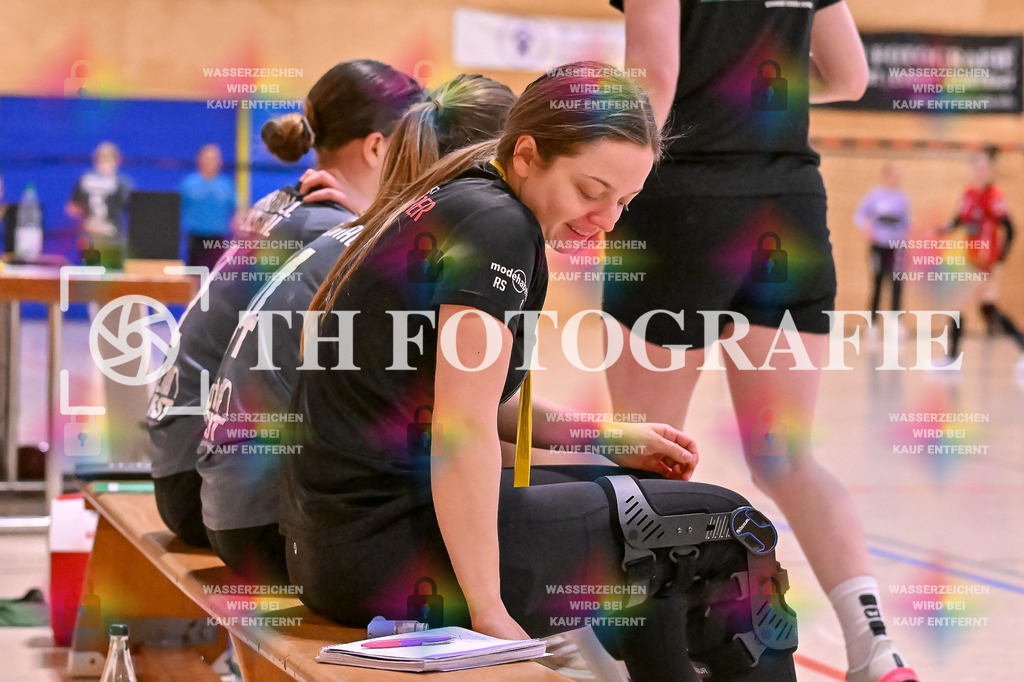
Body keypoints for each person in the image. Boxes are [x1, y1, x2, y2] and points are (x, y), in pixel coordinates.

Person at [281, 61, 799, 681]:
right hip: (388, 554)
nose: (607, 220)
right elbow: (463, 429)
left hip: (335, 547)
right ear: (527, 155)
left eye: (624, 202)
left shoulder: (467, 195)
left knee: (661, 529)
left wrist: (610, 437)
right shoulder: (499, 229)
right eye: (590, 191)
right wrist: (488, 611)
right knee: (735, 531)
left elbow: (456, 398)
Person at [599, 3, 917, 682]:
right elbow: (850, 76)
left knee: (647, 449)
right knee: (788, 458)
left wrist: (608, 186)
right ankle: (875, 648)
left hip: (682, 202)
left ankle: (636, 656)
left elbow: (654, 74)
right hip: (791, 205)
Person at [194, 74, 516, 585]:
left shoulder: (324, 218)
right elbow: (469, 426)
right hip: (266, 520)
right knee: (514, 492)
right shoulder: (372, 241)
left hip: (223, 496)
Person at [145, 59, 423, 549]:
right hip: (212, 489)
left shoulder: (282, 202)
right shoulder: (327, 227)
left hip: (181, 467)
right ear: (379, 147)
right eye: (414, 149)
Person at [943, 149, 1023, 361]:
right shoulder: (969, 193)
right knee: (988, 310)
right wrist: (942, 229)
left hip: (986, 262)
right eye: (977, 167)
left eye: (985, 167)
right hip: (971, 259)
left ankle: (951, 358)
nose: (981, 171)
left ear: (990, 171)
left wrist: (1000, 261)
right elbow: (958, 219)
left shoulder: (994, 196)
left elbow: (1011, 230)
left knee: (962, 304)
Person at [854, 163, 911, 332]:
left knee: (897, 284)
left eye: (898, 176)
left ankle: (896, 323)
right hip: (879, 246)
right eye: (892, 176)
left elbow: (906, 223)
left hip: (897, 247)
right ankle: (873, 323)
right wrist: (867, 229)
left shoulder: (903, 198)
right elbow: (859, 216)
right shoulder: (874, 195)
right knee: (878, 283)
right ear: (885, 177)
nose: (895, 180)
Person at [65, 141, 133, 269]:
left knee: (94, 277)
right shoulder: (121, 183)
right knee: (107, 279)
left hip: (98, 238)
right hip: (106, 238)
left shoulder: (85, 179)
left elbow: (72, 208)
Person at [179, 144, 236, 270]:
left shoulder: (226, 184)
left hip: (217, 236)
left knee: (216, 271)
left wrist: (237, 222)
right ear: (199, 159)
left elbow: (237, 208)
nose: (211, 162)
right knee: (193, 270)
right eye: (207, 158)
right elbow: (176, 208)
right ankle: (193, 290)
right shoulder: (188, 183)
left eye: (214, 158)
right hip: (195, 234)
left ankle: (211, 290)